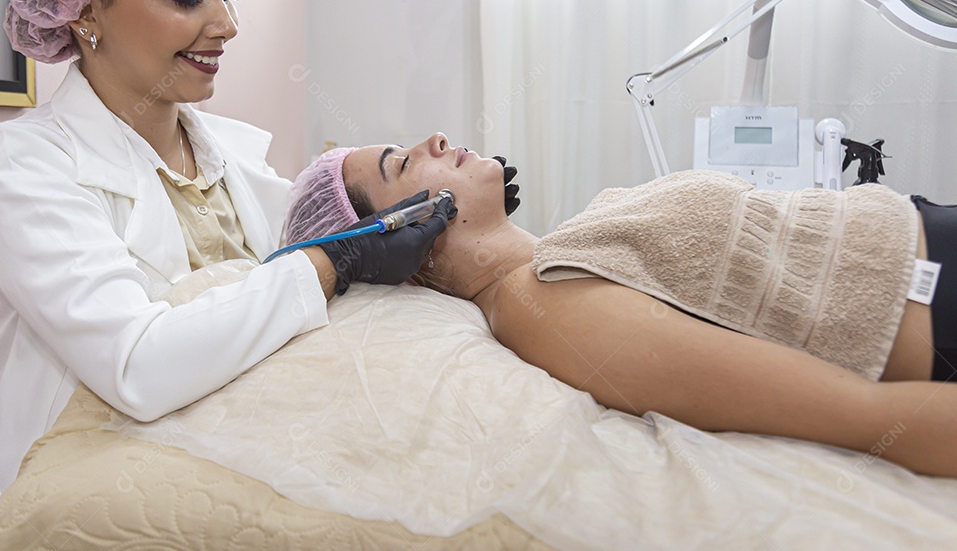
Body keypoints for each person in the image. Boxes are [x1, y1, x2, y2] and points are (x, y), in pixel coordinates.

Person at [0, 0, 453, 551]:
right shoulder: (21, 163)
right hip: (59, 506)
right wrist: (335, 262)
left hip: (206, 493)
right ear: (80, 6)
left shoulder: (233, 157)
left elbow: (287, 299)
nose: (227, 24)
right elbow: (136, 366)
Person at [282, 133, 957, 479]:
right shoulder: (543, 307)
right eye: (402, 164)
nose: (433, 138)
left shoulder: (557, 258)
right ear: (398, 245)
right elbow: (864, 416)